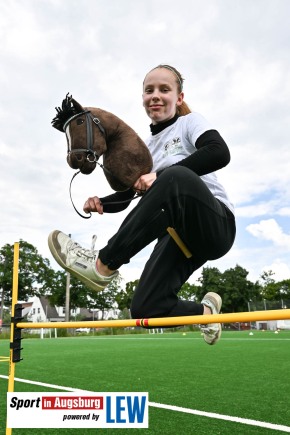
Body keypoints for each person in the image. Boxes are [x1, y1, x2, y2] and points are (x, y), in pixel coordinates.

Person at [48, 64, 236, 345]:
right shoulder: (145, 147)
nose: (156, 96)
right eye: (149, 91)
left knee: (174, 177)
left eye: (164, 89)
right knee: (147, 307)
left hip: (215, 224)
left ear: (179, 98)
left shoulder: (189, 122)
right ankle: (206, 312)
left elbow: (219, 152)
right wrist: (103, 202)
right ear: (143, 98)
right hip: (180, 238)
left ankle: (101, 265)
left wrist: (159, 175)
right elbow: (134, 195)